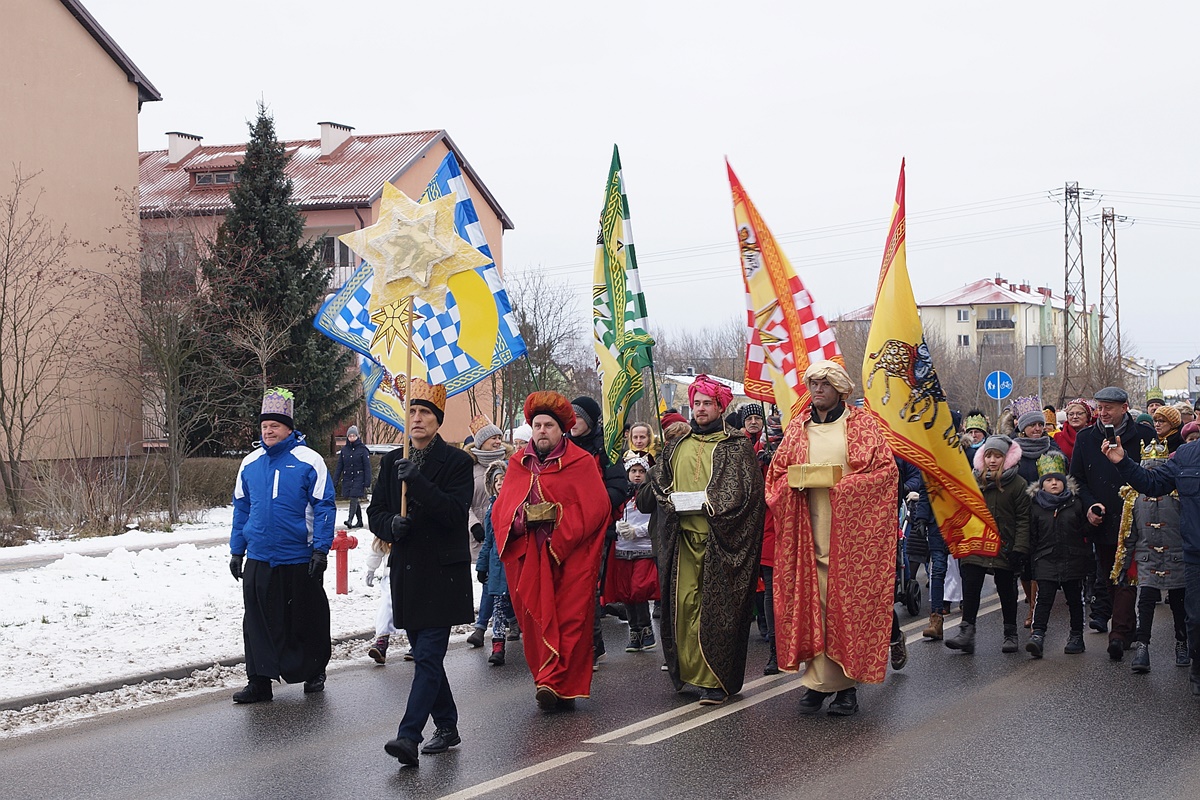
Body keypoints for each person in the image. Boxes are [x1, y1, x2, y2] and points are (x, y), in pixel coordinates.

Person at [766, 361, 897, 716]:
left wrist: (843, 485)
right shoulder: (798, 428)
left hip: (851, 537)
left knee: (844, 605)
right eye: (813, 383)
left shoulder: (861, 425)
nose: (818, 389)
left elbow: (885, 472)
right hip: (807, 532)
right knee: (812, 603)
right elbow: (776, 475)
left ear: (840, 389)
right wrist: (791, 485)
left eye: (825, 383)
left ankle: (846, 687)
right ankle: (815, 684)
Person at [368, 379, 475, 767]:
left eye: (424, 413)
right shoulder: (391, 461)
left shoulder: (458, 462)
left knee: (427, 656)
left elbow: (452, 513)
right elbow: (375, 512)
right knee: (429, 659)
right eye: (412, 412)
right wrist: (388, 525)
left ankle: (408, 736)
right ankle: (447, 724)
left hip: (443, 577)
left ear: (437, 420)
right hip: (408, 574)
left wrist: (417, 480)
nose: (416, 419)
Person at [648, 374, 765, 706]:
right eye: (696, 403)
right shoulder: (677, 445)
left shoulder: (736, 446)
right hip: (683, 542)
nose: (700, 409)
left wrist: (712, 502)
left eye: (707, 404)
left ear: (719, 406)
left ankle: (715, 680)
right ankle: (688, 673)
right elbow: (660, 482)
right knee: (683, 607)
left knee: (715, 611)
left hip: (720, 542)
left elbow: (746, 494)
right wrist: (668, 496)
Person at [492, 392, 611, 711]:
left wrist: (559, 520)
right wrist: (519, 519)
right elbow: (501, 511)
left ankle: (562, 686)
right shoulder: (518, 464)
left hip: (569, 557)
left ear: (562, 430)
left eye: (548, 425)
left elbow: (597, 507)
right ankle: (545, 680)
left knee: (570, 620)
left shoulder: (581, 463)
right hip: (530, 556)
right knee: (535, 619)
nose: (542, 430)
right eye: (537, 425)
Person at [229, 388, 335, 704]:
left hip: (298, 557)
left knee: (305, 617)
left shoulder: (309, 460)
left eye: (275, 425)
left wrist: (320, 549)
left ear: (289, 427)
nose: (268, 431)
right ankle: (259, 681)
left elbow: (324, 506)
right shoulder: (250, 463)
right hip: (260, 557)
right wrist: (237, 550)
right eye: (264, 426)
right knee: (257, 622)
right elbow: (241, 508)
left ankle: (314, 670)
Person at [1103, 430, 1200, 694]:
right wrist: (1122, 460)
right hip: (1194, 554)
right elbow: (1152, 483)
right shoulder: (1187, 455)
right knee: (1196, 617)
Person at [1069, 386, 1155, 659]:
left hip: (1137, 517)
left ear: (1124, 407)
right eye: (1100, 407)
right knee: (1110, 576)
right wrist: (1091, 505)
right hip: (1104, 519)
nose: (1103, 412)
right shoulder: (1086, 439)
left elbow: (1154, 474)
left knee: (1127, 577)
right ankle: (1126, 628)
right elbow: (1077, 480)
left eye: (1109, 408)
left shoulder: (1143, 435)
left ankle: (1118, 634)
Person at [945, 435, 1030, 655]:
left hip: (1004, 545)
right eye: (989, 455)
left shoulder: (1018, 484)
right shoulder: (973, 481)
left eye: (998, 456)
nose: (992, 460)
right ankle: (966, 632)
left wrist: (1019, 548)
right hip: (975, 543)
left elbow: (1023, 519)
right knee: (971, 586)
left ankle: (1010, 633)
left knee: (1006, 590)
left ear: (1007, 458)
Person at [1025, 452, 1090, 659]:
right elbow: (1032, 536)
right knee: (1044, 598)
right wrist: (1031, 561)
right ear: (1041, 484)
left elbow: (1084, 530)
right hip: (1046, 558)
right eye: (1049, 480)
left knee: (1074, 599)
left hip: (1073, 557)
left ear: (1065, 482)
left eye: (1057, 480)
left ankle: (1077, 635)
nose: (1054, 484)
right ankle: (1038, 635)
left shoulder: (1075, 503)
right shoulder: (1035, 507)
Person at [466, 418, 512, 649]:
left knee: (498, 581)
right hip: (482, 535)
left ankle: (483, 626)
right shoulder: (471, 470)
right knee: (490, 581)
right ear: (481, 442)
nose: (497, 441)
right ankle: (485, 626)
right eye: (493, 438)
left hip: (506, 533)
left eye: (499, 437)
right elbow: (465, 504)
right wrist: (474, 525)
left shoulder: (511, 466)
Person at [606, 453, 659, 652]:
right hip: (623, 549)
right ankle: (634, 631)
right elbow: (613, 516)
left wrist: (638, 531)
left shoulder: (649, 494)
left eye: (641, 471)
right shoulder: (622, 496)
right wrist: (618, 527)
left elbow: (653, 520)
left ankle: (646, 629)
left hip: (643, 548)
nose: (637, 475)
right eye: (633, 471)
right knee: (626, 593)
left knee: (639, 589)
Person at [476, 460, 512, 666]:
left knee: (518, 605)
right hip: (497, 565)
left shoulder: (516, 503)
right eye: (496, 480)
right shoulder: (491, 507)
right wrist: (482, 566)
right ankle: (498, 644)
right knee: (498, 606)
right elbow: (489, 540)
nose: (500, 483)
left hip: (515, 563)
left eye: (504, 478)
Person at [364, 540, 399, 664]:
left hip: (416, 573)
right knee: (387, 606)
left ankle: (415, 644)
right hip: (391, 573)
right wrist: (371, 569)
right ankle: (381, 641)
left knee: (413, 608)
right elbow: (377, 545)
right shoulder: (387, 522)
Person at [333, 425, 371, 529]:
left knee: (354, 497)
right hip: (348, 478)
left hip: (359, 478)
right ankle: (360, 521)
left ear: (357, 436)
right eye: (350, 436)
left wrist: (367, 482)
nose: (352, 437)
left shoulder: (363, 450)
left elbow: (367, 467)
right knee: (354, 498)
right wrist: (335, 481)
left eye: (354, 435)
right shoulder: (344, 450)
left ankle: (350, 520)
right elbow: (339, 466)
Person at [1054, 398, 1094, 463]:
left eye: (1079, 413)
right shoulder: (1058, 437)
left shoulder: (1095, 435)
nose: (1075, 417)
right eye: (1071, 414)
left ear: (1087, 416)